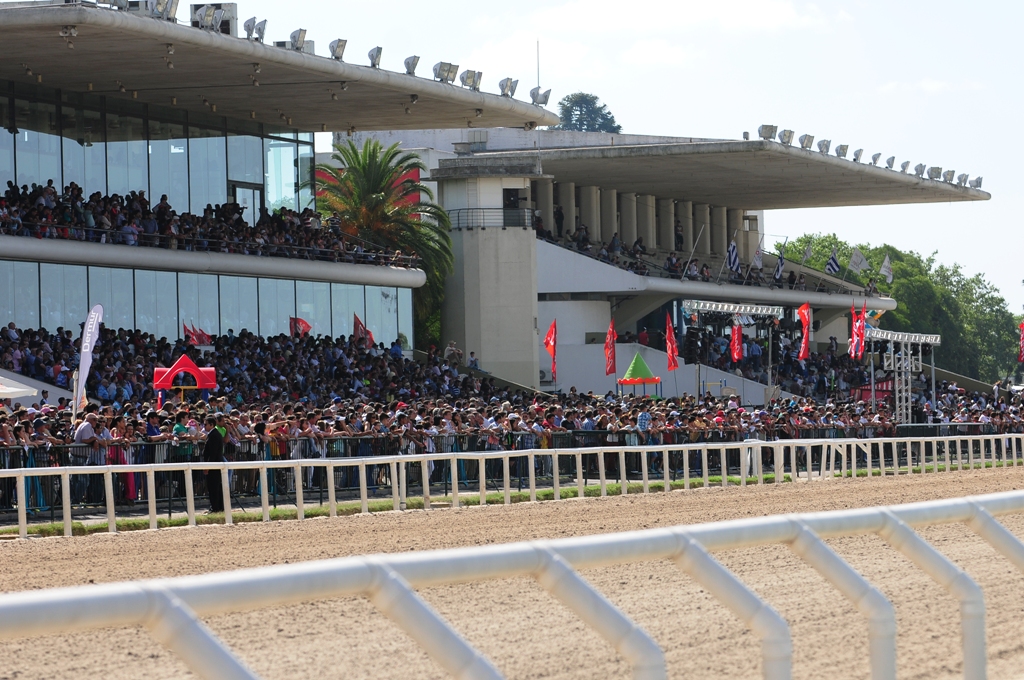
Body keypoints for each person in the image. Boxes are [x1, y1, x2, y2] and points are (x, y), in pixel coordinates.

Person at [202, 415, 225, 513]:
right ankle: (218, 507)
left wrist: (208, 466)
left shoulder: (214, 435)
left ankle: (215, 507)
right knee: (216, 486)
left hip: (214, 465)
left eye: (206, 424)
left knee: (213, 487)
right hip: (215, 464)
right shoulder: (214, 434)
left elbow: (213, 453)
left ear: (211, 425)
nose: (204, 426)